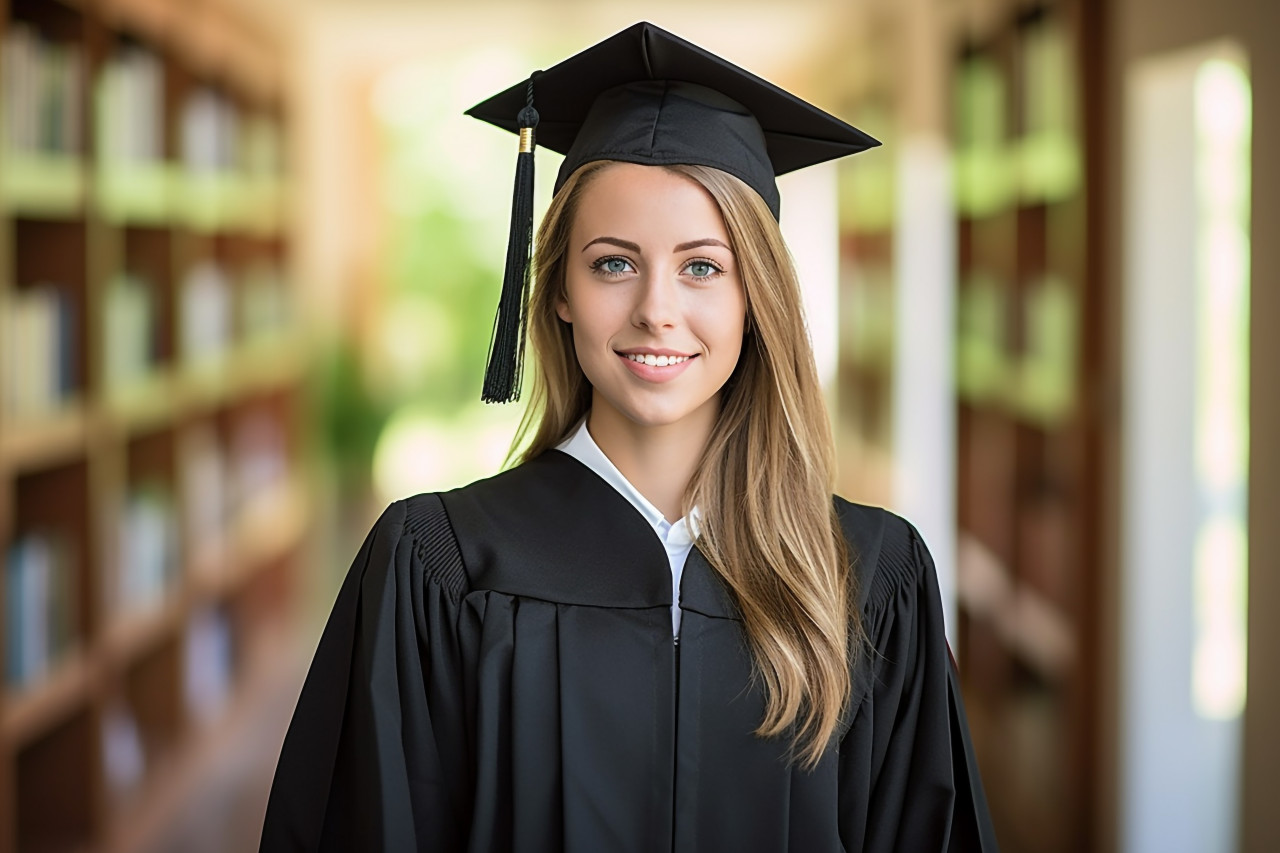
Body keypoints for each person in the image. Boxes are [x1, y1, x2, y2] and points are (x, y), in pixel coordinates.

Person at [260, 21, 997, 853]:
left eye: (702, 266)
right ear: (561, 288)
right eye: (613, 262)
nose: (656, 308)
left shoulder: (872, 578)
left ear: (757, 296)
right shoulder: (439, 570)